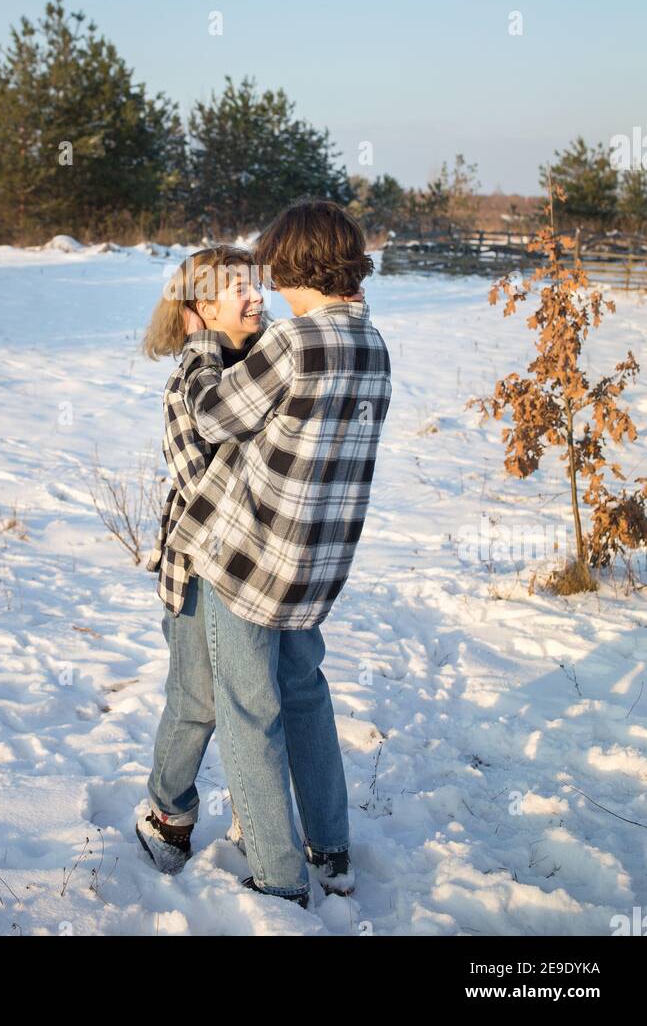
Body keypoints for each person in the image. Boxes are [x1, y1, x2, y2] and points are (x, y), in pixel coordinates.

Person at [169, 198, 392, 907]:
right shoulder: (375, 345)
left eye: (276, 266)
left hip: (248, 562)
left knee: (248, 710)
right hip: (315, 567)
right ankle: (330, 852)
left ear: (300, 265)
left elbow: (211, 414)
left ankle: (278, 876)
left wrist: (203, 346)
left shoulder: (294, 343)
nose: (269, 283)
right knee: (306, 699)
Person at [135, 245, 269, 874]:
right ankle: (168, 808)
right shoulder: (189, 386)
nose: (254, 297)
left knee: (260, 698)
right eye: (236, 287)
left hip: (262, 570)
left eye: (255, 284)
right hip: (196, 569)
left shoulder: (271, 367)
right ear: (198, 310)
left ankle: (257, 808)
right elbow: (200, 485)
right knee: (199, 700)